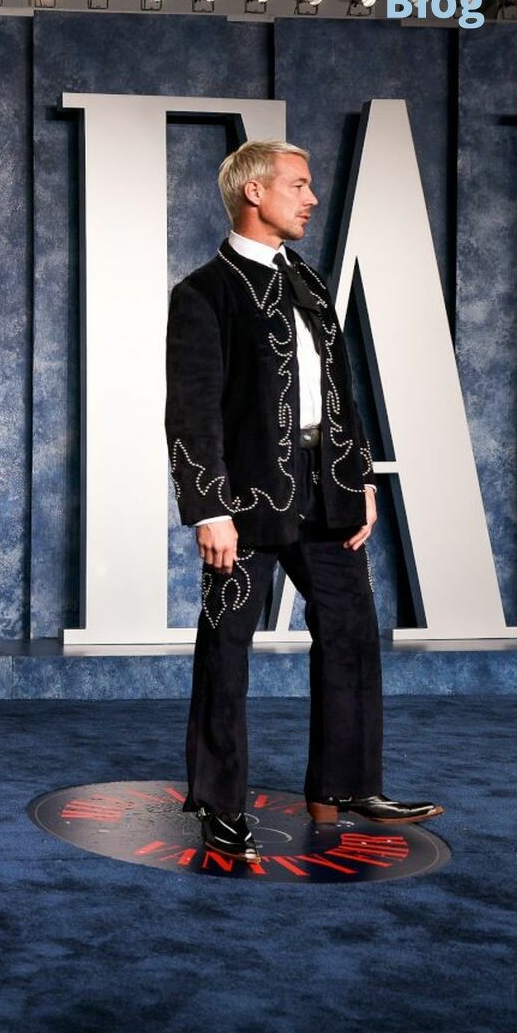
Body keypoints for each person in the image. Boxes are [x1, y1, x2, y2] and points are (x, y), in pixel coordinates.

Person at [164, 140, 440, 861]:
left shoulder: (310, 284)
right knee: (226, 644)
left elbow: (341, 394)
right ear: (254, 192)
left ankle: (344, 786)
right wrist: (209, 509)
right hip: (245, 502)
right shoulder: (203, 293)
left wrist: (362, 477)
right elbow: (192, 413)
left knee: (351, 631)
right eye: (299, 184)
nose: (312, 198)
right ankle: (218, 802)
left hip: (327, 490)